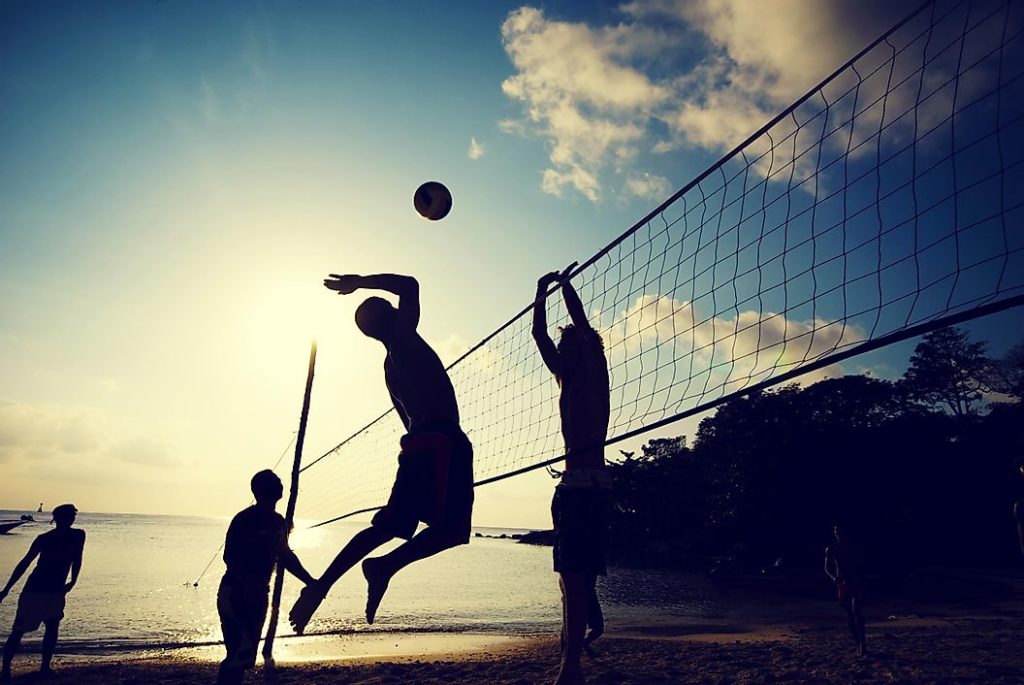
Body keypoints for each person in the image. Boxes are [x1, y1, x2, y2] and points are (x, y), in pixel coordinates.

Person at [289, 273, 474, 633]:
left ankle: (362, 573)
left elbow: (407, 420)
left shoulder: (389, 367)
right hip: (441, 441)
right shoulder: (404, 336)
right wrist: (360, 282)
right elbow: (411, 284)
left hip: (421, 443)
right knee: (449, 529)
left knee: (397, 526)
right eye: (389, 307)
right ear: (389, 314)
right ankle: (372, 570)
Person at [533, 262, 612, 685]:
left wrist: (566, 286)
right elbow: (538, 337)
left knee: (574, 577)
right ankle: (574, 646)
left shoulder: (594, 371)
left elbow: (580, 326)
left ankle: (571, 669)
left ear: (584, 348)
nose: (560, 353)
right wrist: (539, 292)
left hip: (588, 485)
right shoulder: (564, 377)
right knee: (570, 579)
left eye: (569, 346)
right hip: (572, 487)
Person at [217, 470, 314, 685]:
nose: (278, 485)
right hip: (235, 593)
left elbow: (285, 556)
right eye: (271, 483)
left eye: (278, 482)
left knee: (246, 657)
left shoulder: (279, 522)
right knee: (237, 653)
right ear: (258, 491)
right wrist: (248, 585)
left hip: (260, 595)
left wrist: (310, 581)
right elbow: (230, 557)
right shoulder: (244, 519)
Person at [0, 503, 85, 681]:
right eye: (68, 516)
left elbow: (77, 559)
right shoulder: (44, 538)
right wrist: (7, 589)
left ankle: (45, 667)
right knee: (19, 630)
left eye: (72, 516)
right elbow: (25, 563)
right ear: (58, 519)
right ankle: (6, 668)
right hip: (35, 589)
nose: (70, 519)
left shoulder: (78, 535)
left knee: (52, 627)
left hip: (55, 590)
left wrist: (73, 581)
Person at [824, 523, 867, 656]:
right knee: (849, 614)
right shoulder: (831, 549)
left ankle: (863, 645)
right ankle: (858, 643)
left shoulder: (855, 548)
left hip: (857, 582)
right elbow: (827, 568)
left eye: (839, 530)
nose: (837, 533)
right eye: (835, 531)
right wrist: (833, 577)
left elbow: (863, 565)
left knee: (857, 612)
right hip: (842, 583)